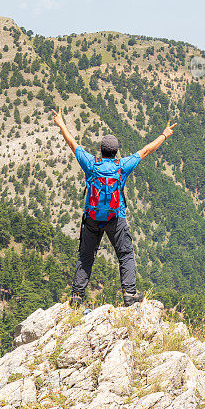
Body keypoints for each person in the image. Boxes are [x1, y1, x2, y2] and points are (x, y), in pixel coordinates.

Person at [53, 110, 177, 307]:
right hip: (115, 218)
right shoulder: (122, 166)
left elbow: (72, 144)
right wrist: (164, 134)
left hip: (92, 218)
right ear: (117, 152)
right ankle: (129, 294)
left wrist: (61, 124)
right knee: (125, 254)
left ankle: (77, 297)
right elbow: (146, 150)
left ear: (100, 150)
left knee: (86, 256)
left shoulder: (91, 165)